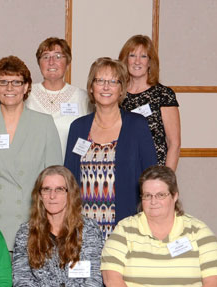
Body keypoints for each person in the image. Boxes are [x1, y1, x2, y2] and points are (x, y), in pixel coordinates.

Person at [0, 56, 63, 251]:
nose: (9, 88)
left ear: (26, 87)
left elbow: (56, 180)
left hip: (32, 223)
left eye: (16, 82)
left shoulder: (44, 124)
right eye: (3, 82)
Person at [11, 166, 104, 287]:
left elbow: (95, 281)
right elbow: (22, 281)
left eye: (60, 189)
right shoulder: (25, 233)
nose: (52, 196)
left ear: (70, 194)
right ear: (39, 195)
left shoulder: (89, 230)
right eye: (46, 189)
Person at [64, 57, 157, 239]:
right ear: (91, 87)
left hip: (127, 224)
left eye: (113, 81)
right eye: (100, 81)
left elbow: (152, 177)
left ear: (121, 89)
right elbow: (69, 178)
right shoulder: (78, 128)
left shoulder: (137, 125)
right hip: (84, 226)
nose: (106, 87)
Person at [119, 35, 181, 170]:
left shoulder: (163, 94)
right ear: (125, 60)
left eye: (143, 56)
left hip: (154, 173)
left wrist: (166, 179)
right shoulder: (117, 95)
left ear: (150, 62)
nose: (137, 61)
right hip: (123, 171)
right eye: (132, 55)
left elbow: (174, 143)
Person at [26, 37, 92, 157]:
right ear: (39, 63)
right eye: (45, 57)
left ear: (67, 63)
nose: (51, 62)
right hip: (33, 171)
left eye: (58, 56)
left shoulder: (84, 98)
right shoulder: (26, 95)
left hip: (69, 171)